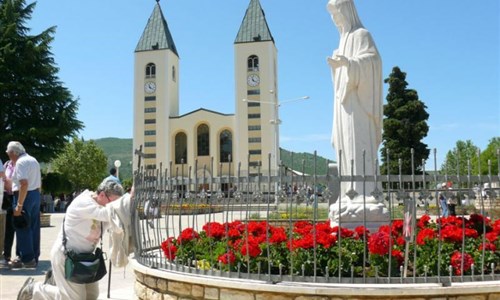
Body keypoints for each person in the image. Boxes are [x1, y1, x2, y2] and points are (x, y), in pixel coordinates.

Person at [17, 179, 125, 300]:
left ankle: (50, 286)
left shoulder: (102, 206)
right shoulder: (84, 203)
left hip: (86, 259)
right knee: (74, 298)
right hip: (67, 257)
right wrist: (126, 203)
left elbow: (116, 221)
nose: (114, 207)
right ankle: (34, 289)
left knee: (91, 295)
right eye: (113, 203)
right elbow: (108, 214)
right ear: (102, 195)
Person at [326, 0, 383, 201]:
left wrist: (349, 63)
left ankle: (364, 194)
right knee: (343, 146)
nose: (335, 19)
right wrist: (337, 66)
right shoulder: (342, 41)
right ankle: (348, 194)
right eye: (332, 15)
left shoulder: (362, 35)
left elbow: (374, 62)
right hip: (343, 104)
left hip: (358, 104)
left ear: (347, 11)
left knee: (358, 145)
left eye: (337, 13)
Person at [5, 141, 41, 269]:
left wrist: (19, 205)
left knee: (22, 226)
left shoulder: (20, 162)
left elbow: (23, 183)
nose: (9, 157)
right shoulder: (33, 160)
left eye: (9, 154)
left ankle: (27, 258)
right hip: (35, 195)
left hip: (24, 195)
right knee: (34, 227)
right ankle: (31, 257)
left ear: (13, 153)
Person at [2, 159, 16, 264]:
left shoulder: (20, 164)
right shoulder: (7, 164)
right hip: (5, 197)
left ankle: (7, 254)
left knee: (10, 228)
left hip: (14, 197)